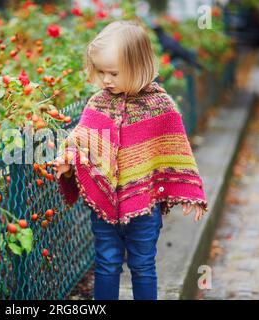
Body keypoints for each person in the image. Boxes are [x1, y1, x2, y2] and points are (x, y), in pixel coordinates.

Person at [53, 20, 208, 300]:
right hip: (104, 206)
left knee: (143, 265)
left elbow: (176, 151)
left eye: (113, 73)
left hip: (144, 206)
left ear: (138, 67)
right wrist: (68, 161)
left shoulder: (161, 107)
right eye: (101, 72)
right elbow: (81, 142)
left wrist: (189, 191)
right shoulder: (98, 103)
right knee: (106, 263)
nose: (106, 80)